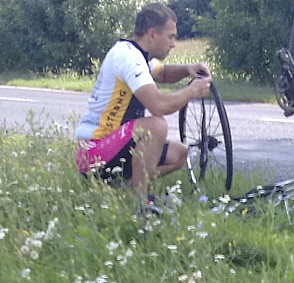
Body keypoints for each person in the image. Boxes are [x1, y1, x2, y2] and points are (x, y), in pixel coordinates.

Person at [75, 3, 212, 206]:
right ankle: (140, 203)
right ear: (152, 34)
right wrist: (192, 91)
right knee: (156, 126)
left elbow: (163, 73)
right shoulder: (129, 57)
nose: (173, 44)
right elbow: (158, 106)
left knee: (179, 154)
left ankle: (121, 187)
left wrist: (187, 69)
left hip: (112, 146)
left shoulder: (137, 54)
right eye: (171, 37)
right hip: (93, 152)